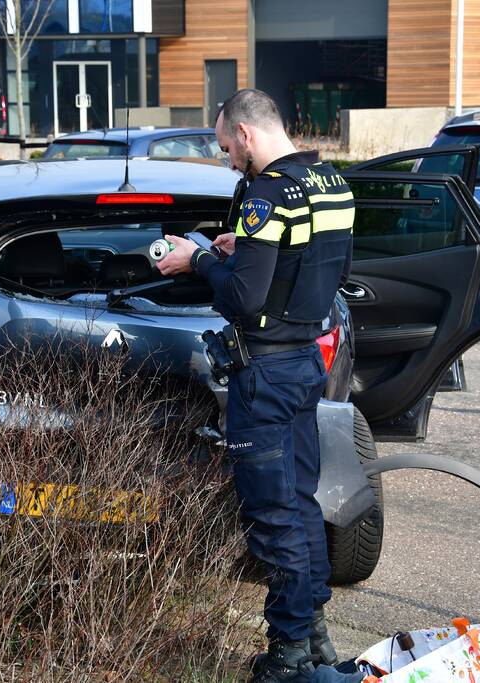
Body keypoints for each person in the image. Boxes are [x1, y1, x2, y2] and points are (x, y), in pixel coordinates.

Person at [156, 89, 356, 683]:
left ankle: (290, 656)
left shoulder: (266, 195)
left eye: (226, 149)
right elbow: (327, 267)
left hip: (263, 373)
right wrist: (246, 251)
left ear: (245, 133)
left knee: (274, 517)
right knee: (301, 501)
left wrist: (195, 260)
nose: (228, 162)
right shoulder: (333, 184)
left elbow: (243, 296)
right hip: (306, 365)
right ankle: (314, 636)